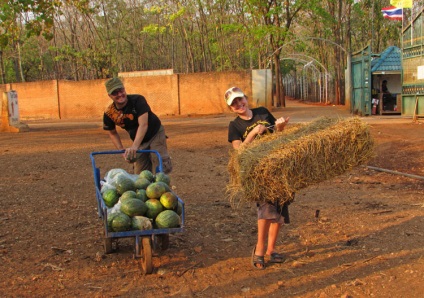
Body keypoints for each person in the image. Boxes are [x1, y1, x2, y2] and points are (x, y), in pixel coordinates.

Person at [225, 86, 291, 270]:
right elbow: (239, 152)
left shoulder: (262, 112)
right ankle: (259, 250)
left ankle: (271, 249)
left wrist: (280, 128)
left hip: (277, 166)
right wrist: (253, 133)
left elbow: (279, 138)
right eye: (234, 104)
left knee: (280, 208)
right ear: (231, 108)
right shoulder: (235, 126)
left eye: (240, 99)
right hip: (258, 173)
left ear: (246, 98)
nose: (239, 104)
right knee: (266, 208)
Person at [103, 77, 172, 174]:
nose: (120, 94)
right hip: (139, 139)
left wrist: (134, 147)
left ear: (124, 89)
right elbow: (112, 133)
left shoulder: (138, 100)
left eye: (121, 90)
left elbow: (143, 125)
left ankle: (161, 187)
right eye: (115, 93)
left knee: (160, 165)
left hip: (155, 133)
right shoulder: (109, 113)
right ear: (110, 95)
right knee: (140, 173)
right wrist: (121, 150)